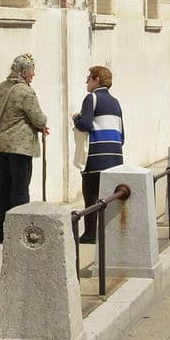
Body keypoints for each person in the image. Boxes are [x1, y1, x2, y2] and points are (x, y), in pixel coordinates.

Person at [0, 54, 46, 242]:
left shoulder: (1, 88)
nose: (33, 75)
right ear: (23, 71)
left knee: (2, 188)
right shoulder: (25, 92)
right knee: (20, 190)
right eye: (31, 71)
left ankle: (0, 230)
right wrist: (42, 125)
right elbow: (39, 118)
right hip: (19, 149)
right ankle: (17, 232)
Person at [72, 66, 125, 243]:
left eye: (89, 78)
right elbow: (122, 136)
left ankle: (90, 234)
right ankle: (109, 233)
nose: (86, 82)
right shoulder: (116, 102)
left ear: (96, 79)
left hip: (95, 157)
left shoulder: (91, 98)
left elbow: (85, 124)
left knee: (91, 196)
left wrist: (76, 118)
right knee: (109, 198)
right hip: (115, 159)